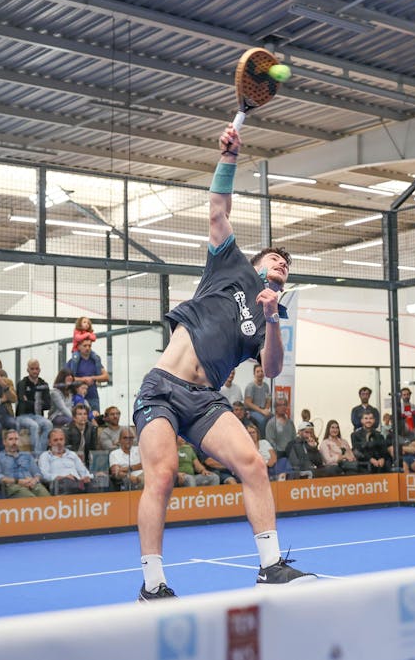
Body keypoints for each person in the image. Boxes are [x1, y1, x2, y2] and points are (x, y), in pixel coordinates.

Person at [131, 125, 314, 601]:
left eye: (286, 267)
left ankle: (271, 566)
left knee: (253, 463)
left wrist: (273, 319)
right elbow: (218, 208)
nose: (281, 265)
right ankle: (153, 585)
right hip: (162, 387)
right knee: (164, 474)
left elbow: (271, 370)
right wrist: (229, 157)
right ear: (256, 262)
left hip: (205, 398)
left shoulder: (272, 312)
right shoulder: (227, 264)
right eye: (275, 258)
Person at [0, 429, 51, 498]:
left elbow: (38, 473)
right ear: (4, 442)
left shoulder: (27, 455)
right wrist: (18, 481)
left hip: (32, 484)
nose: (14, 442)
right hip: (13, 486)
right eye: (11, 439)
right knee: (31, 499)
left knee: (48, 498)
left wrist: (34, 480)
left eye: (16, 439)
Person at [39, 427, 96, 493]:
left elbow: (83, 471)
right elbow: (44, 475)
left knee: (97, 482)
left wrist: (89, 477)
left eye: (61, 439)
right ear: (49, 443)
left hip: (77, 483)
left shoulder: (72, 454)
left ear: (64, 441)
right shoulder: (45, 456)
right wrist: (61, 477)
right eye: (55, 440)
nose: (59, 442)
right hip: (59, 484)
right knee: (67, 481)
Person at [16, 359, 55, 454]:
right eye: (32, 369)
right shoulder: (22, 383)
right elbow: (22, 401)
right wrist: (38, 402)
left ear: (39, 370)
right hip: (23, 415)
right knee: (34, 426)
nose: (34, 371)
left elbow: (48, 404)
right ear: (27, 370)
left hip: (38, 416)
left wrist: (30, 401)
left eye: (36, 369)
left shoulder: (43, 384)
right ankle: (37, 456)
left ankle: (39, 454)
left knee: (49, 424)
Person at [66, 338, 109, 413]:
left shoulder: (95, 361)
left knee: (95, 418)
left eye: (89, 346)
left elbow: (106, 377)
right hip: (77, 396)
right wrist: (84, 380)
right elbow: (66, 378)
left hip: (93, 395)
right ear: (78, 346)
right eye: (85, 346)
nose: (87, 348)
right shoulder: (73, 362)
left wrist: (92, 378)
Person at [244, 363, 273, 429]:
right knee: (263, 420)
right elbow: (248, 403)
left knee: (273, 419)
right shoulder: (250, 386)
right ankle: (262, 438)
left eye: (262, 371)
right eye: (258, 372)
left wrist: (266, 409)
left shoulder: (266, 386)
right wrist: (262, 411)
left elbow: (268, 399)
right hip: (252, 411)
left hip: (263, 410)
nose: (260, 373)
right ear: (254, 374)